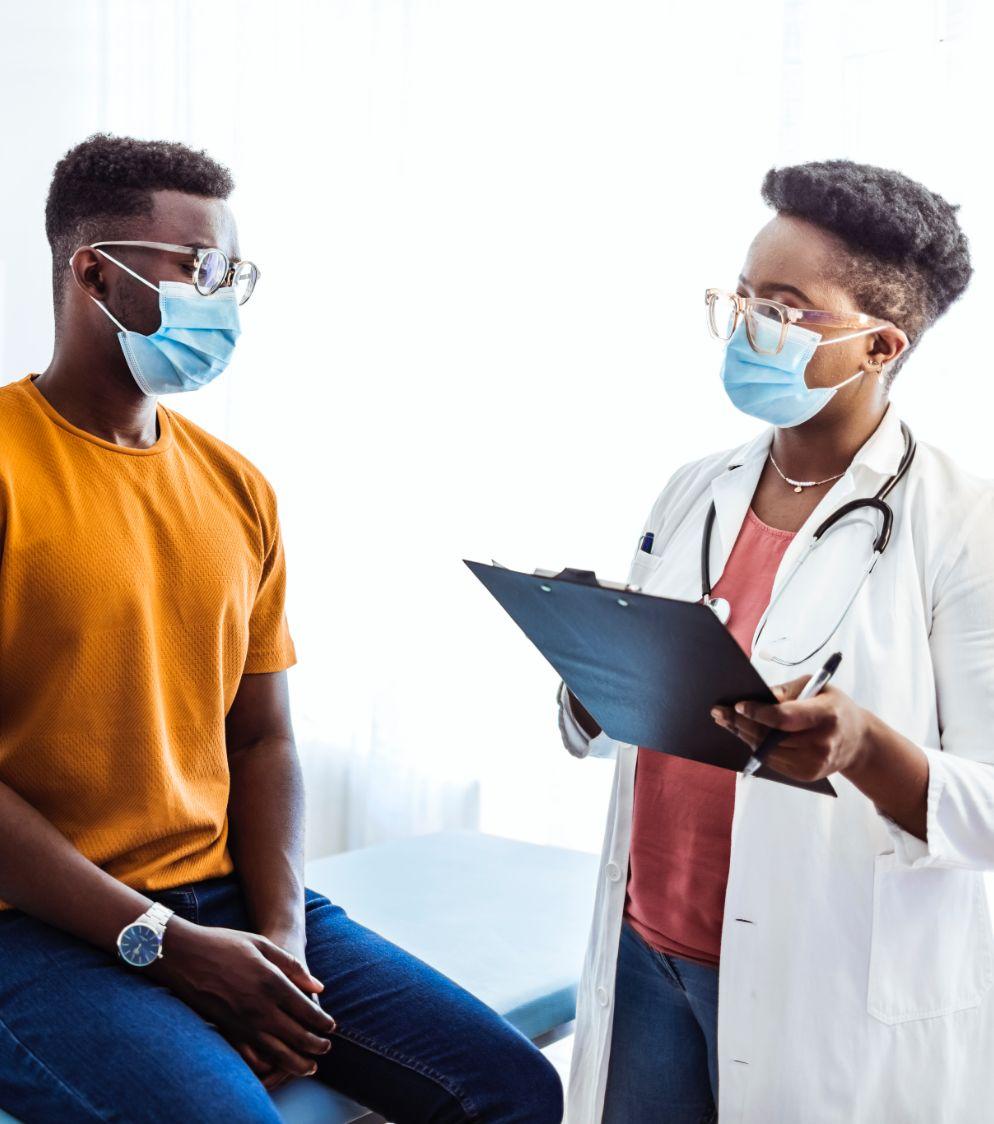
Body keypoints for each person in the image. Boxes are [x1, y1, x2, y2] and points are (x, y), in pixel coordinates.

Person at [0, 134, 562, 1124]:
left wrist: (283, 948)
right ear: (94, 274)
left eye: (232, 273)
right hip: (32, 926)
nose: (221, 298)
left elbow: (262, 738)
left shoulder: (236, 486)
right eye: (197, 267)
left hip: (216, 894)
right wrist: (167, 946)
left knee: (512, 1091)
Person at [558, 160, 994, 1123]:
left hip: (821, 976)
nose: (746, 324)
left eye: (784, 308)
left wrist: (865, 749)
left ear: (880, 344)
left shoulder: (966, 527)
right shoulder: (693, 488)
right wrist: (592, 667)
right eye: (745, 296)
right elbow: (639, 717)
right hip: (646, 948)